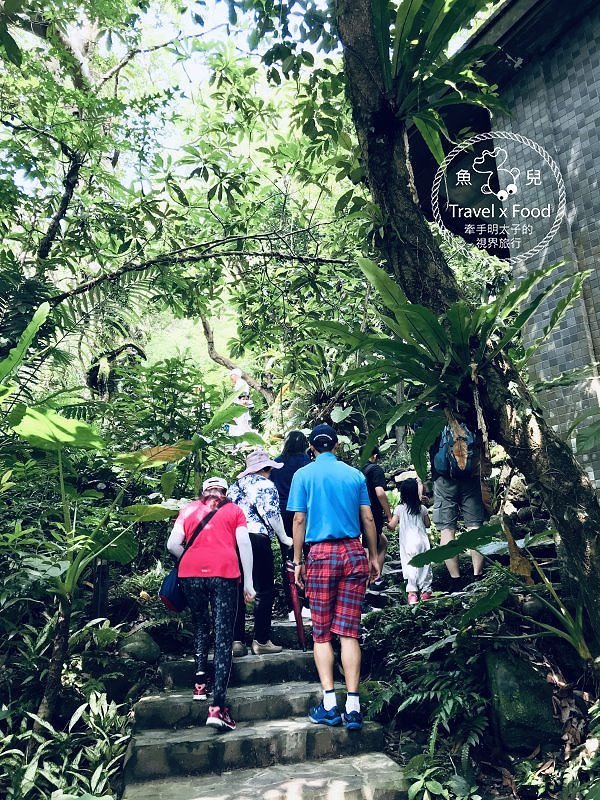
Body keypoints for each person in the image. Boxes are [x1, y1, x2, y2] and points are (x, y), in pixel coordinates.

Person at [288, 423, 379, 731]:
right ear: (337, 445)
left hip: (321, 555)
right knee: (350, 631)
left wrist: (297, 561)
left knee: (322, 632)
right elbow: (367, 516)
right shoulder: (355, 475)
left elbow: (299, 519)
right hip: (353, 552)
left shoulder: (303, 475)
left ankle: (329, 705)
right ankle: (353, 707)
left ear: (311, 448)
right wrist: (373, 554)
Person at [167, 476, 255, 731]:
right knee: (223, 636)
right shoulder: (234, 510)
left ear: (203, 492)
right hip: (224, 573)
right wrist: (248, 582)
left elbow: (173, 544)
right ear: (225, 492)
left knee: (200, 625)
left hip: (190, 575)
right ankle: (217, 708)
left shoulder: (189, 509)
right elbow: (244, 543)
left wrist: (192, 558)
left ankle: (199, 685)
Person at [227, 448, 293, 655]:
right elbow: (272, 514)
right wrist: (284, 537)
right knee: (264, 589)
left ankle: (237, 641)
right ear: (265, 469)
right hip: (256, 538)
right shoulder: (266, 485)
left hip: (233, 540)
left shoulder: (234, 486)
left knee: (236, 589)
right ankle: (261, 641)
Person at [430, 420, 485, 590]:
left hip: (443, 479)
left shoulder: (431, 416)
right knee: (475, 526)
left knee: (447, 530)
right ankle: (478, 576)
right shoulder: (466, 406)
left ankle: (456, 581)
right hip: (470, 476)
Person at [271, 430, 312, 621]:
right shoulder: (307, 463)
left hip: (283, 515)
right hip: (305, 514)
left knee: (288, 560)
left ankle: (292, 606)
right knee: (309, 555)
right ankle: (311, 604)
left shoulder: (276, 462)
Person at [388, 478, 432, 604]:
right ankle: (426, 592)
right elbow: (428, 524)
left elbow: (392, 526)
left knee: (410, 566)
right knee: (425, 566)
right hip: (422, 542)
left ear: (402, 493)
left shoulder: (399, 509)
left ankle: (412, 594)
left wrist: (388, 523)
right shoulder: (422, 508)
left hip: (407, 543)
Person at [361, 446, 391, 591]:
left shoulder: (358, 470)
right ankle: (368, 584)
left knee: (382, 541)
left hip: (359, 514)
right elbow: (380, 493)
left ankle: (375, 576)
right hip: (373, 514)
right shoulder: (375, 469)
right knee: (368, 549)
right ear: (374, 456)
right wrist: (389, 514)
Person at [228, 367, 253, 437]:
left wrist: (242, 402)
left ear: (236, 375)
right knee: (240, 423)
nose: (231, 378)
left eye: (231, 375)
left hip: (242, 405)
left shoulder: (241, 382)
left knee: (241, 422)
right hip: (239, 405)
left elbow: (244, 395)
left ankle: (242, 438)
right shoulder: (238, 383)